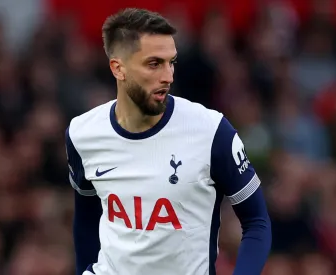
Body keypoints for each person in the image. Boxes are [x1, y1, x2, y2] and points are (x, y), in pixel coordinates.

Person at [65, 8, 271, 275]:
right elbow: (86, 220)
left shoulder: (211, 131)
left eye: (171, 62)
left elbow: (257, 222)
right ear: (119, 68)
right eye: (154, 64)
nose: (168, 76)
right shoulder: (82, 133)